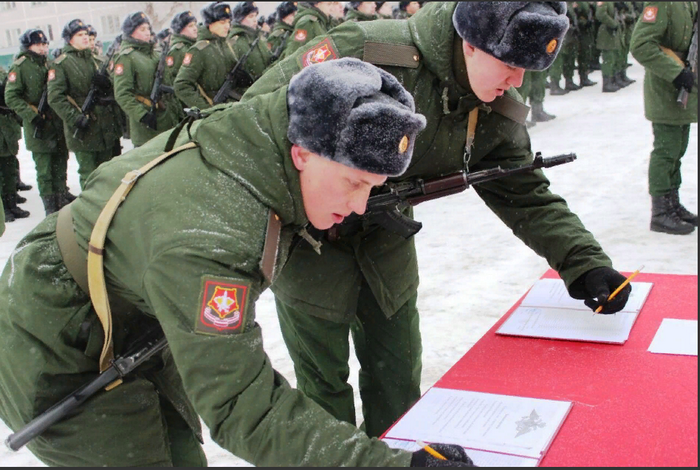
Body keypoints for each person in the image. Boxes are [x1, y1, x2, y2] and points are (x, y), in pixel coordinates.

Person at [0, 57, 480, 468]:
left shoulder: (262, 142)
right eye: (354, 183)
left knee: (179, 449)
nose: (359, 207)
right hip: (57, 341)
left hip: (128, 312)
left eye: (371, 189)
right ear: (301, 154)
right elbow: (243, 408)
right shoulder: (211, 235)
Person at [243, 1, 634, 439]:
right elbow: (254, 124)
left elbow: (523, 190)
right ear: (470, 43)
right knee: (323, 390)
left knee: (397, 381)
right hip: (308, 245)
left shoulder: (491, 106)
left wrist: (584, 262)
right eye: (508, 64)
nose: (518, 81)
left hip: (385, 246)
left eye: (527, 68)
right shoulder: (364, 53)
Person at [630, 1, 698, 235]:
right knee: (666, 150)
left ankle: (672, 204)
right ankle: (660, 213)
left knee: (678, 149)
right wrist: (675, 71)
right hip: (667, 87)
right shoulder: (662, 3)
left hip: (685, 84)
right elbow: (640, 45)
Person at [47, 19, 122, 189]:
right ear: (70, 39)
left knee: (108, 173)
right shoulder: (62, 64)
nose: (85, 38)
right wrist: (75, 118)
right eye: (80, 35)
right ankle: (91, 211)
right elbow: (55, 97)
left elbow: (113, 91)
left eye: (86, 34)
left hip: (105, 127)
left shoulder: (96, 60)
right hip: (83, 128)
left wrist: (107, 84)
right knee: (89, 175)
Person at [4, 28, 71, 215]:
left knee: (60, 162)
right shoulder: (21, 67)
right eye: (38, 45)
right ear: (28, 46)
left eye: (45, 44)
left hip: (56, 123)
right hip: (37, 125)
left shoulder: (50, 64)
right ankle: (50, 207)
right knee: (45, 169)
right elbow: (11, 97)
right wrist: (32, 116)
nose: (43, 48)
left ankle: (61, 198)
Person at [113, 12, 181, 148]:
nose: (147, 33)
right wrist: (142, 115)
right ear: (131, 33)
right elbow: (122, 94)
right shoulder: (127, 57)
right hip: (146, 127)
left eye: (148, 29)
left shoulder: (155, 55)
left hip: (166, 120)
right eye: (142, 29)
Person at [174, 2, 238, 108]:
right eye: (222, 22)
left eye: (228, 22)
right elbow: (181, 85)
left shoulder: (226, 45)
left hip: (230, 105)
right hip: (214, 107)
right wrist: (205, 109)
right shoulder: (199, 50)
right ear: (210, 24)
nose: (227, 26)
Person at [1, 66, 29, 222]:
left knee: (9, 169)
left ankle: (11, 203)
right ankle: (3, 208)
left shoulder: (3, 73)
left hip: (7, 128)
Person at [228, 1, 273, 95]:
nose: (255, 20)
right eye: (250, 16)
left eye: (255, 16)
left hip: (266, 89)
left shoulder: (259, 38)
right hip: (249, 93)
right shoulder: (236, 41)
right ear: (240, 19)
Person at [596, 0, 622, 92]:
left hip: (612, 33)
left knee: (613, 58)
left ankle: (612, 80)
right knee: (608, 59)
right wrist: (613, 23)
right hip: (607, 33)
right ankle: (607, 84)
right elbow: (600, 14)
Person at [166, 11, 198, 84]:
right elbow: (174, 78)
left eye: (195, 25)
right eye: (190, 26)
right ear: (180, 30)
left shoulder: (192, 46)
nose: (195, 28)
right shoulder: (178, 50)